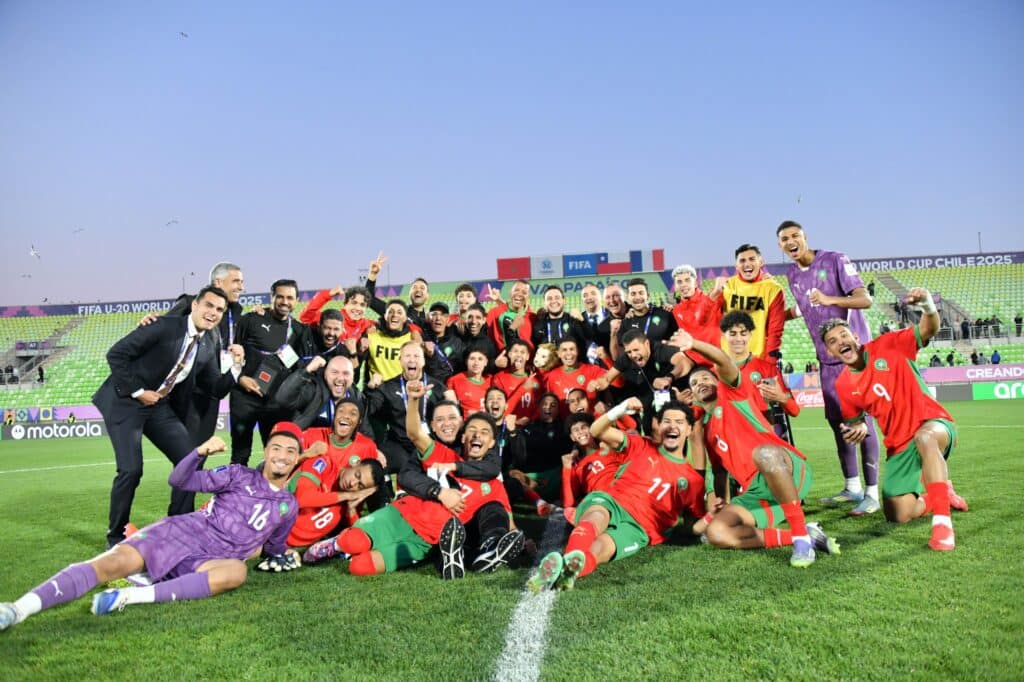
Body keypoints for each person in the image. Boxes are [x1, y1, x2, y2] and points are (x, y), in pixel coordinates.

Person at [0, 426, 302, 629]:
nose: (282, 455)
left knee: (236, 572)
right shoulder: (238, 475)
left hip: (211, 558)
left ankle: (129, 597)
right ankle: (18, 609)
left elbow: (273, 548)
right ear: (266, 451)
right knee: (112, 563)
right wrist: (199, 454)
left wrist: (286, 554)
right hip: (183, 533)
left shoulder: (289, 505)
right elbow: (180, 481)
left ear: (296, 459)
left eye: (291, 451)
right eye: (276, 448)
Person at [92, 286, 244, 548]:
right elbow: (115, 354)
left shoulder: (208, 343)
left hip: (157, 405)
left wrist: (237, 366)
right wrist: (139, 392)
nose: (213, 313)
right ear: (195, 305)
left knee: (191, 460)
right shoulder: (164, 326)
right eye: (209, 305)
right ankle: (115, 535)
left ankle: (179, 527)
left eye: (219, 310)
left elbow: (215, 389)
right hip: (125, 401)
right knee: (131, 469)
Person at [673, 329, 840, 567]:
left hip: (785, 469)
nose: (701, 383)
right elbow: (720, 474)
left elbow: (721, 359)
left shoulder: (733, 393)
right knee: (716, 533)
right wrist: (719, 506)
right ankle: (805, 534)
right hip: (756, 492)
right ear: (694, 397)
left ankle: (801, 540)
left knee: (764, 452)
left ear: (718, 381)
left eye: (706, 378)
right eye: (695, 383)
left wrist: (693, 343)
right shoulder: (706, 430)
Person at [822, 286, 969, 551]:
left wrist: (927, 305)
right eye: (832, 341)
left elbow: (928, 329)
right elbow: (856, 423)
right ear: (830, 353)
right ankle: (939, 495)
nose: (839, 341)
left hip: (933, 424)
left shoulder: (890, 345)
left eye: (843, 335)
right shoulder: (844, 386)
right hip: (899, 445)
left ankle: (943, 525)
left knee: (925, 437)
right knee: (898, 513)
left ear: (855, 337)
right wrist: (856, 430)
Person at [527, 399, 706, 591]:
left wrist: (712, 516)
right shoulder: (642, 445)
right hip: (613, 501)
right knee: (597, 515)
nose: (672, 426)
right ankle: (570, 563)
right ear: (659, 425)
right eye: (667, 421)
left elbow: (690, 528)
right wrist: (621, 409)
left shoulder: (693, 481)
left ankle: (566, 570)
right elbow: (597, 431)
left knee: (601, 548)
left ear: (689, 430)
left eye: (679, 422)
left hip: (640, 528)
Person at [776, 221, 882, 515]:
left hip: (853, 358)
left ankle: (872, 493)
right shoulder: (793, 273)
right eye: (784, 239)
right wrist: (772, 319)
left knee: (862, 422)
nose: (790, 241)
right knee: (838, 424)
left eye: (795, 236)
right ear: (780, 246)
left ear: (805, 237)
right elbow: (802, 307)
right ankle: (852, 486)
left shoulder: (835, 260)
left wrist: (829, 299)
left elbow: (865, 299)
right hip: (826, 361)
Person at [142, 261, 246, 442]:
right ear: (218, 282)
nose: (241, 287)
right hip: (189, 390)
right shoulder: (190, 302)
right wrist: (150, 322)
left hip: (213, 390)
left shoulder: (235, 312)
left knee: (201, 451)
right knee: (188, 453)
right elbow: (163, 328)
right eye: (236, 281)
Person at [230, 279, 316, 466]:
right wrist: (240, 378)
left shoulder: (300, 331)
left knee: (276, 454)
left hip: (275, 402)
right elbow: (230, 354)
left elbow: (300, 366)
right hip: (245, 397)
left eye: (290, 298)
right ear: (272, 297)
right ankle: (236, 495)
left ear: (297, 300)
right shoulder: (251, 320)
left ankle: (271, 494)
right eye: (280, 297)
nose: (285, 302)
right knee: (240, 453)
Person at [587, 329, 692, 434]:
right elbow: (607, 378)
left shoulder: (660, 349)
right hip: (654, 397)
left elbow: (684, 362)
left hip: (678, 394)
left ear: (646, 344)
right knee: (648, 428)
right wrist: (598, 383)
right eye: (629, 352)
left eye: (636, 350)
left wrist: (669, 378)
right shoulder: (626, 358)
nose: (633, 355)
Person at [364, 340, 446, 474]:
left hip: (430, 443)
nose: (411, 360)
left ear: (424, 361)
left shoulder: (437, 387)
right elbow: (368, 410)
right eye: (407, 356)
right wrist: (371, 388)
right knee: (375, 464)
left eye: (416, 356)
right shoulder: (388, 387)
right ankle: (386, 493)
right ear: (400, 361)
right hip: (399, 444)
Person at [719, 311, 800, 442]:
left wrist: (782, 398)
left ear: (750, 335)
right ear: (723, 335)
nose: (738, 339)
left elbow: (795, 411)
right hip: (730, 442)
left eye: (743, 333)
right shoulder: (716, 370)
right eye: (732, 334)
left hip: (762, 440)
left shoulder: (767, 369)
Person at [713, 244, 785, 359]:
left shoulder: (773, 289)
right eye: (742, 260)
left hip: (757, 359)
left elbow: (775, 330)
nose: (747, 264)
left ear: (761, 262)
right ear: (736, 266)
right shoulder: (726, 286)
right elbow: (704, 316)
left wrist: (770, 361)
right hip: (728, 360)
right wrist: (715, 292)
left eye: (752, 259)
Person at [272, 355, 367, 432]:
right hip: (309, 450)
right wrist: (306, 371)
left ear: (353, 377)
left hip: (340, 452)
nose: (340, 378)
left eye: (346, 373)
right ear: (325, 374)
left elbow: (365, 430)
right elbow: (283, 398)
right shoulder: (315, 390)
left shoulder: (357, 397)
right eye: (334, 372)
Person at [559, 413, 626, 520]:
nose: (580, 431)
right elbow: (568, 503)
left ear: (592, 429)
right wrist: (566, 468)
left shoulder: (608, 447)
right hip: (602, 501)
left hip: (624, 489)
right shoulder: (576, 466)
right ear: (572, 437)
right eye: (576, 430)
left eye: (584, 427)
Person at [669, 264, 721, 367]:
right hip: (694, 366)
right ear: (675, 287)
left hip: (717, 362)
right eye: (679, 282)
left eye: (687, 280)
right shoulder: (675, 310)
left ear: (696, 283)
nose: (683, 285)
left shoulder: (712, 300)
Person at [531, 285, 593, 351]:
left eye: (557, 297)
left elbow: (590, 339)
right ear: (544, 303)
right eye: (549, 298)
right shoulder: (538, 325)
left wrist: (583, 321)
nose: (553, 301)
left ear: (564, 300)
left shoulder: (573, 321)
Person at [618, 278, 677, 346]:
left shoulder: (665, 314)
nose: (637, 297)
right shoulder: (626, 322)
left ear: (648, 296)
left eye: (641, 293)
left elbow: (677, 339)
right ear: (628, 297)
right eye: (633, 294)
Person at [486, 279, 535, 352]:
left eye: (524, 292)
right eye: (516, 290)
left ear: (528, 296)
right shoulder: (494, 313)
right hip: (501, 361)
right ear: (510, 292)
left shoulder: (533, 317)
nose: (519, 294)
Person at [424, 302, 465, 383]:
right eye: (434, 314)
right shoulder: (422, 339)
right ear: (429, 318)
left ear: (448, 320)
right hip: (427, 388)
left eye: (443, 315)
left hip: (448, 388)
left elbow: (462, 368)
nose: (438, 318)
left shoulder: (457, 342)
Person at [446, 349, 492, 419]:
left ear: (486, 362)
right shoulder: (455, 380)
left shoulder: (491, 380)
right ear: (466, 361)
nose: (476, 363)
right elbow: (451, 409)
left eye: (480, 359)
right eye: (472, 359)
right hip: (467, 425)